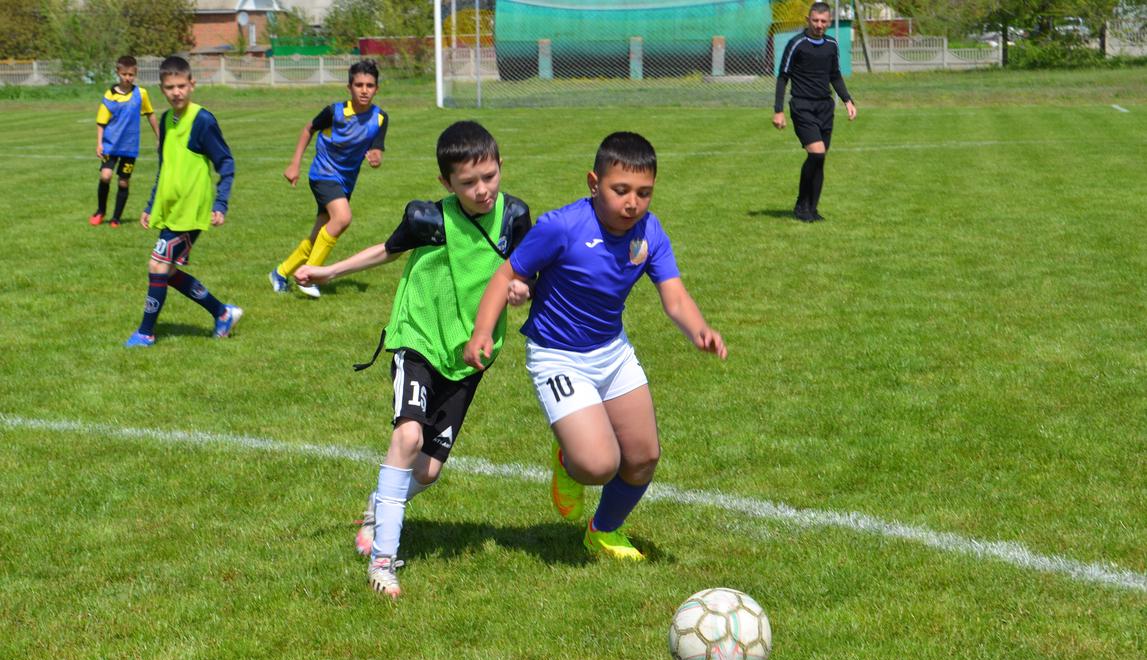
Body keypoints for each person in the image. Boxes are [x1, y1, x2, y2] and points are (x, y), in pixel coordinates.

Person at [463, 132, 727, 562]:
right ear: (593, 182)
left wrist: (699, 330)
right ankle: (570, 455)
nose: (632, 203)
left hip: (612, 351)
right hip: (557, 355)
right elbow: (505, 274)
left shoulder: (649, 231)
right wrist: (481, 333)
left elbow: (675, 298)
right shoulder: (561, 227)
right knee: (597, 465)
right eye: (620, 190)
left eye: (644, 193)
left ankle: (603, 531)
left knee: (643, 457)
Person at [295, 121, 532, 598]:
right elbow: (385, 250)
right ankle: (383, 561)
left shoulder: (515, 218)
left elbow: (526, 269)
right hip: (419, 338)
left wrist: (523, 289)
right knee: (407, 434)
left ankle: (377, 506)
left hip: (470, 354)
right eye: (468, 183)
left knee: (427, 471)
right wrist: (329, 269)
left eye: (489, 176)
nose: (482, 190)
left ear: (501, 166)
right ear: (446, 183)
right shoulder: (429, 219)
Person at [124, 56, 241, 348]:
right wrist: (152, 204)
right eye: (169, 87)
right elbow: (165, 167)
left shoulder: (202, 120)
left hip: (192, 211)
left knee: (157, 265)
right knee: (169, 271)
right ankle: (222, 313)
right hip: (171, 209)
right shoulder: (165, 120)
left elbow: (225, 163)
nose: (176, 92)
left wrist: (220, 204)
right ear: (162, 89)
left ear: (192, 84)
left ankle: (146, 333)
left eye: (181, 86)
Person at [269, 59, 388, 299]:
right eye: (359, 85)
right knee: (342, 218)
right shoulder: (334, 112)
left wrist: (376, 158)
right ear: (349, 87)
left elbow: (377, 150)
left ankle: (280, 272)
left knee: (320, 234)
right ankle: (309, 275)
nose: (364, 90)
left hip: (345, 182)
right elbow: (308, 129)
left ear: (377, 89)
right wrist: (294, 164)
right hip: (323, 174)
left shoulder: (380, 118)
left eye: (370, 85)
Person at [772, 2, 857, 222]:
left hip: (825, 107)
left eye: (823, 21)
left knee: (820, 159)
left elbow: (835, 75)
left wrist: (847, 100)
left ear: (829, 22)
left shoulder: (831, 44)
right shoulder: (796, 44)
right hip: (802, 106)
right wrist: (778, 111)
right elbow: (783, 77)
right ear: (808, 20)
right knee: (816, 153)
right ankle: (802, 206)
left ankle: (812, 208)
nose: (819, 25)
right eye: (815, 21)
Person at [90, 55, 160, 228]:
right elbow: (101, 122)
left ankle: (116, 218)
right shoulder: (110, 95)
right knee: (105, 176)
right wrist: (99, 143)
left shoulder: (141, 94)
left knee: (123, 181)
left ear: (135, 73)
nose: (127, 78)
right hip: (110, 144)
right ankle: (100, 211)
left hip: (129, 146)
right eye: (124, 74)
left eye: (131, 75)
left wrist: (159, 136)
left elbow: (150, 114)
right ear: (118, 73)